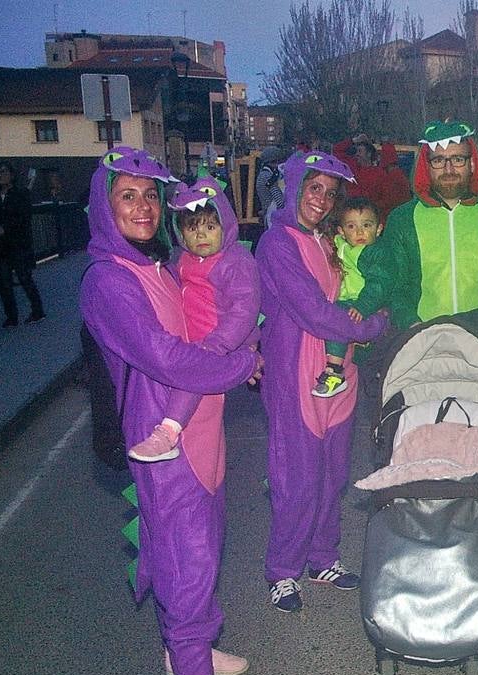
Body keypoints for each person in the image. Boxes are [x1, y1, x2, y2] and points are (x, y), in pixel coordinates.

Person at [79, 147, 259, 675]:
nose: (143, 207)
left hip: (202, 429)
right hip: (162, 438)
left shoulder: (156, 265)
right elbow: (163, 356)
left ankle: (192, 649)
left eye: (150, 195)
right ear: (105, 207)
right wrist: (238, 367)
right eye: (127, 195)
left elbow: (205, 324)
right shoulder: (108, 280)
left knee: (205, 541)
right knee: (186, 554)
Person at [256, 151, 389, 612]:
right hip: (296, 375)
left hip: (340, 374)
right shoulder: (277, 243)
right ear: (293, 187)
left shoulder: (329, 240)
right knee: (297, 479)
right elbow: (313, 310)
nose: (322, 199)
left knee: (333, 475)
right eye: (314, 188)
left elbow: (357, 289)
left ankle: (321, 557)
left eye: (330, 193)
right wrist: (375, 325)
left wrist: (379, 303)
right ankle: (283, 570)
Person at [127, 177, 261, 462]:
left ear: (224, 226)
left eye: (210, 228)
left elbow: (245, 309)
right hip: (196, 338)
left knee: (191, 379)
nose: (202, 236)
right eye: (192, 228)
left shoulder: (233, 260)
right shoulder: (182, 258)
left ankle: (167, 433)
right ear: (180, 233)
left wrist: (219, 344)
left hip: (220, 341)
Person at [356, 119, 478, 333]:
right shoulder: (402, 220)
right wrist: (412, 325)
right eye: (439, 160)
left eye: (458, 159)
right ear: (426, 166)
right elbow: (395, 285)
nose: (448, 169)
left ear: (472, 164)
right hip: (420, 337)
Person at [313, 196, 383, 397]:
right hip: (343, 299)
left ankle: (334, 371)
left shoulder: (373, 253)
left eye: (367, 225)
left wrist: (364, 305)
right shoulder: (342, 244)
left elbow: (379, 283)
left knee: (337, 322)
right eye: (352, 226)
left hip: (360, 302)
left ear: (378, 229)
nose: (360, 232)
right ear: (342, 231)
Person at [0, 162, 45, 325]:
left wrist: (5, 227)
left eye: (3, 172)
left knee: (24, 277)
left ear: (11, 174)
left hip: (18, 243)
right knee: (4, 282)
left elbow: (23, 216)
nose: (0, 175)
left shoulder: (20, 193)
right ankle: (11, 316)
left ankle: (37, 311)